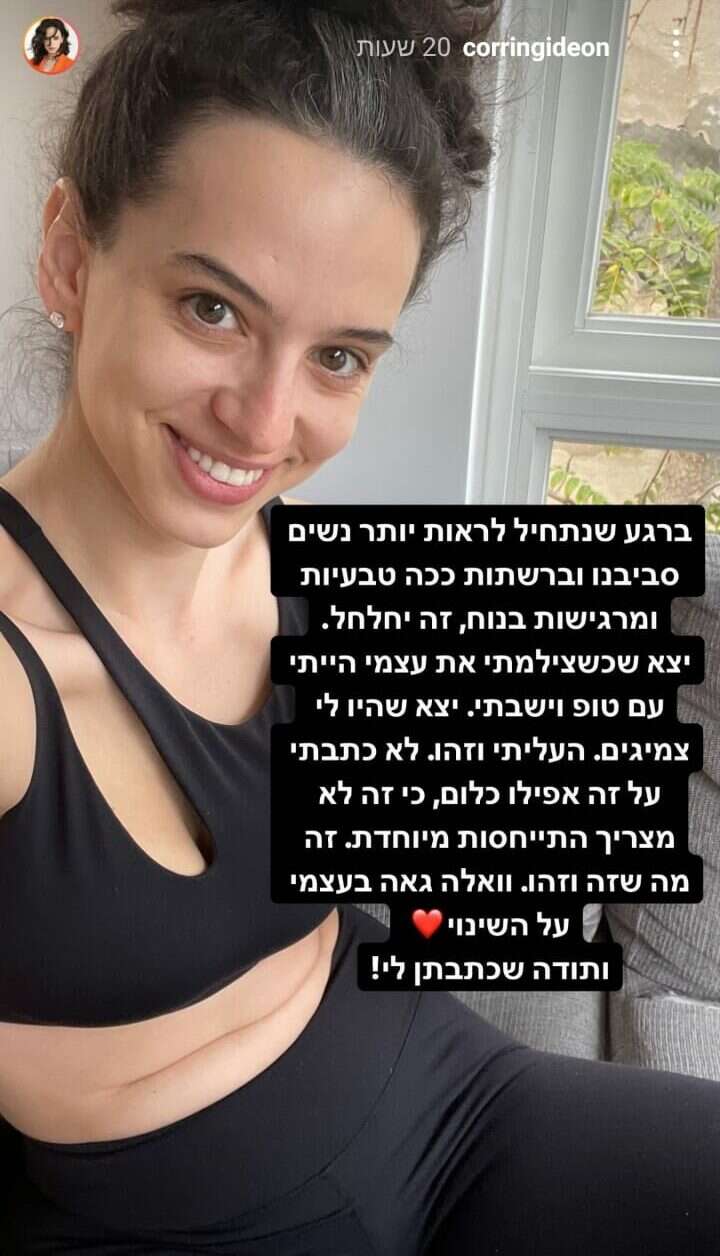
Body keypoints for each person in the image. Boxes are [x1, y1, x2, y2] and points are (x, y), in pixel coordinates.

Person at [0, 0, 718, 1251]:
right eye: (211, 308)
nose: (264, 423)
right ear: (69, 253)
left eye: (337, 357)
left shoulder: (307, 575)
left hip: (453, 1096)